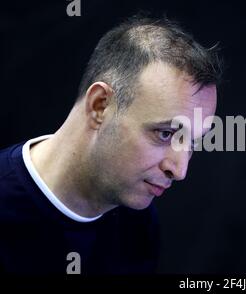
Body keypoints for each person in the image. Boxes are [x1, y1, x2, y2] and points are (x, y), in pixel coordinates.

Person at [0, 14, 222, 274]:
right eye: (165, 134)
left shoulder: (138, 223)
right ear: (99, 106)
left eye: (191, 142)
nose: (180, 170)